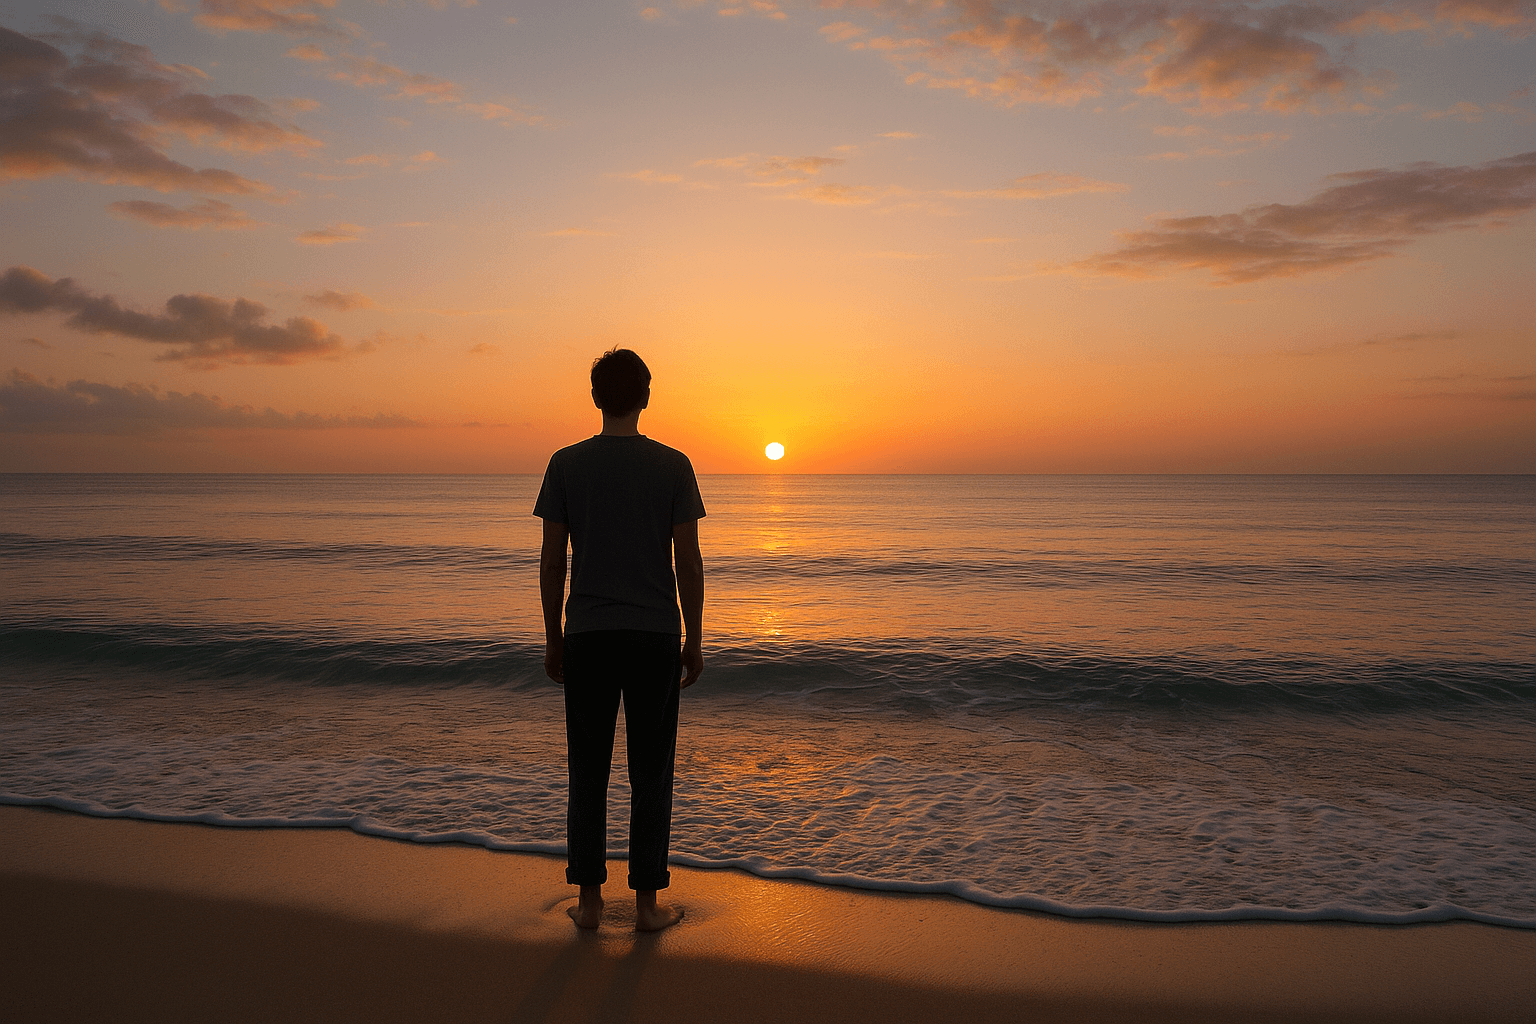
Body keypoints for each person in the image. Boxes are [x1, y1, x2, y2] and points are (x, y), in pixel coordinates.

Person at [533, 348, 706, 933]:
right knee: (651, 771)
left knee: (588, 769)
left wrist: (554, 638)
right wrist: (695, 637)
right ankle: (649, 906)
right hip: (655, 634)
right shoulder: (673, 465)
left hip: (588, 633)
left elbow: (552, 560)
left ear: (595, 396)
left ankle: (588, 901)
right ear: (647, 395)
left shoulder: (565, 464)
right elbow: (688, 560)